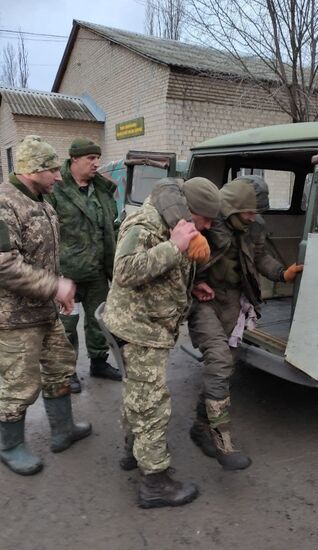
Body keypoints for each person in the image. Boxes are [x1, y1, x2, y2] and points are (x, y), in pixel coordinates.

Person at [102, 177, 220, 509]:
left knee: (138, 394)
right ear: (190, 207)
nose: (208, 226)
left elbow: (165, 272)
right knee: (152, 404)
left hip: (149, 325)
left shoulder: (177, 222)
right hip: (140, 328)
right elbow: (125, 270)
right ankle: (155, 483)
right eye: (206, 219)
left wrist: (192, 288)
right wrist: (174, 247)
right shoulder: (147, 223)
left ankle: (132, 450)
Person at [188, 175, 303, 471]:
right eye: (249, 212)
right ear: (232, 207)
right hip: (203, 300)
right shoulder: (209, 224)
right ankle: (222, 441)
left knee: (224, 367)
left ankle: (202, 426)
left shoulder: (254, 227)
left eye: (256, 213)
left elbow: (260, 257)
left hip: (235, 302)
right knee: (219, 360)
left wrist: (282, 273)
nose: (253, 218)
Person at [0, 135, 92, 476]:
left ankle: (63, 430)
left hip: (45, 312)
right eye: (53, 170)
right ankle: (9, 446)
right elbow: (4, 265)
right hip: (14, 319)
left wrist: (60, 292)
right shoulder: (4, 204)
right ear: (33, 170)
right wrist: (54, 286)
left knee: (59, 368)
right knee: (18, 384)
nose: (59, 176)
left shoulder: (42, 200)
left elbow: (46, 256)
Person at [46, 138, 121, 393]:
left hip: (98, 270)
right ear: (74, 159)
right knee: (67, 325)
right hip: (68, 274)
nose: (96, 163)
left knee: (98, 320)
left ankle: (98, 362)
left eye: (97, 158)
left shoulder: (102, 189)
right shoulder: (56, 190)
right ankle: (67, 372)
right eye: (90, 158)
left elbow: (112, 225)